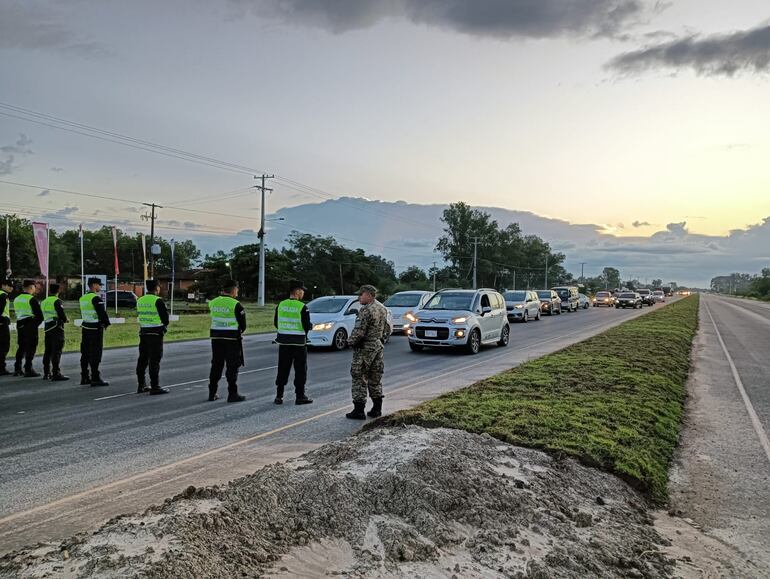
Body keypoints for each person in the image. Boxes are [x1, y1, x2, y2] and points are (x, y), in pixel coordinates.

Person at [345, 285, 390, 420]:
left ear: (369, 295)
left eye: (361, 294)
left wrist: (350, 342)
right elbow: (386, 329)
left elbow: (359, 331)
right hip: (377, 346)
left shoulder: (366, 310)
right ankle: (377, 408)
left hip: (365, 347)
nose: (359, 297)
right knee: (375, 377)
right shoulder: (382, 308)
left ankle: (359, 410)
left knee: (359, 377)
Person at [273, 280, 313, 405]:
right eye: (302, 291)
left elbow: (276, 323)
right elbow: (306, 325)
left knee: (282, 368)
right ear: (297, 292)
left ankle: (279, 396)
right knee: (300, 370)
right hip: (299, 344)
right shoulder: (302, 307)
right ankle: (300, 396)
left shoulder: (280, 305)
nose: (303, 293)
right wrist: (310, 326)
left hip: (284, 343)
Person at [207, 279, 246, 402]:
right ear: (233, 290)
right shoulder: (236, 304)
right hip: (231, 339)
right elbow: (243, 325)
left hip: (216, 338)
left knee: (216, 364)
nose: (237, 292)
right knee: (232, 366)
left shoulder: (213, 302)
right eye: (237, 289)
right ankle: (232, 394)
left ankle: (212, 393)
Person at [135, 279, 170, 395]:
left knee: (142, 360)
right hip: (155, 333)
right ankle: (155, 386)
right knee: (154, 361)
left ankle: (141, 385)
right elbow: (165, 319)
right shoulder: (157, 300)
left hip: (143, 332)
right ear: (157, 288)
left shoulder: (140, 300)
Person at [79, 277, 110, 387]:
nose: (100, 287)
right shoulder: (96, 298)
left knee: (85, 353)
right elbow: (102, 313)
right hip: (95, 329)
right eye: (99, 285)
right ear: (94, 285)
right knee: (95, 354)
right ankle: (95, 377)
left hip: (85, 327)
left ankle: (84, 376)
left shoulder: (83, 298)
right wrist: (106, 323)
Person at [13, 279, 44, 377]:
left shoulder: (17, 299)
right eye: (35, 286)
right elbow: (40, 316)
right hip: (29, 324)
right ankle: (28, 369)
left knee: (21, 346)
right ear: (31, 287)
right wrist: (34, 326)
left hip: (20, 324)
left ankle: (17, 368)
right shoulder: (32, 299)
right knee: (31, 347)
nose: (35, 288)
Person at [41, 283, 69, 381]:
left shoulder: (44, 301)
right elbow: (61, 314)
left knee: (48, 350)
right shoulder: (57, 301)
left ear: (49, 291)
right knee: (56, 351)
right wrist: (66, 319)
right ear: (58, 291)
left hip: (47, 327)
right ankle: (56, 373)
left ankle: (46, 373)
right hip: (56, 327)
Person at [0, 279, 13, 376]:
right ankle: (1, 368)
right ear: (3, 285)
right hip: (2, 325)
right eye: (9, 285)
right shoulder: (3, 296)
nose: (11, 288)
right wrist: (3, 320)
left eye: (12, 286)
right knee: (4, 346)